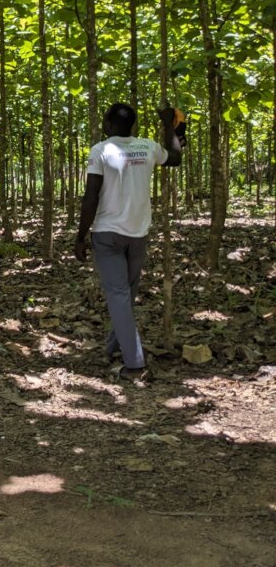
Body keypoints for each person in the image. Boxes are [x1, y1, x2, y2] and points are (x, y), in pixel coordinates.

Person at [74, 103, 184, 380]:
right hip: (138, 232)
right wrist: (169, 126)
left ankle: (134, 364)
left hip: (108, 233)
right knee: (126, 294)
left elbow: (91, 196)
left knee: (119, 295)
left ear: (108, 123)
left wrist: (80, 237)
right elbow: (174, 157)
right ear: (132, 125)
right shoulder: (147, 147)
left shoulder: (101, 150)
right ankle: (114, 343)